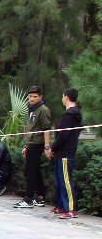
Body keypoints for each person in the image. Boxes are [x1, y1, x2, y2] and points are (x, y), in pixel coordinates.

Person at [14, 86, 51, 209]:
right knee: (35, 170)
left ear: (40, 97)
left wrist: (47, 147)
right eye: (30, 96)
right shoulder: (32, 109)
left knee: (30, 171)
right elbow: (30, 128)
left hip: (37, 143)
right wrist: (26, 144)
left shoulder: (43, 109)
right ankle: (40, 197)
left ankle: (28, 199)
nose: (32, 99)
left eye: (35, 96)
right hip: (30, 143)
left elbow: (47, 128)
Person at [48, 88, 83, 219]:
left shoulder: (70, 115)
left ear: (66, 97)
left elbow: (63, 135)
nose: (62, 98)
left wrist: (52, 147)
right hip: (60, 152)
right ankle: (61, 205)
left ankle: (71, 209)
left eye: (63, 96)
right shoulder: (71, 114)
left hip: (65, 153)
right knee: (59, 180)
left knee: (66, 181)